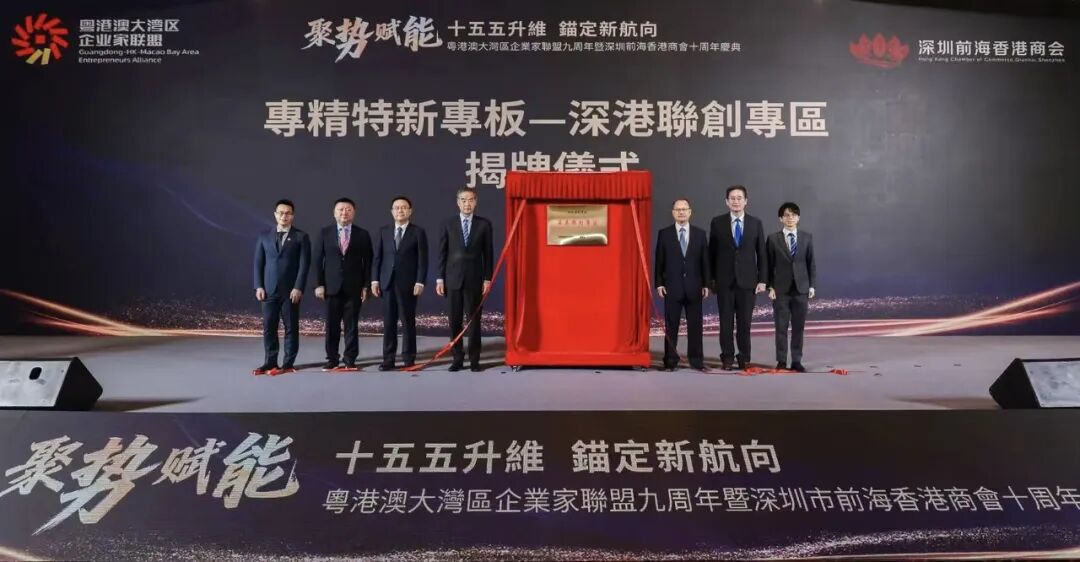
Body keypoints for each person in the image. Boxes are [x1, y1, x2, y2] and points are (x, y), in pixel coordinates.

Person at [708, 185, 767, 370]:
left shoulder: (755, 223)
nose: (736, 201)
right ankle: (727, 357)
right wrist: (711, 280)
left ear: (746, 201)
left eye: (739, 198)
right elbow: (711, 253)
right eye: (732, 198)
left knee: (744, 323)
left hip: (748, 282)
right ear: (727, 202)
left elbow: (762, 254)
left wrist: (763, 280)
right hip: (724, 281)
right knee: (725, 323)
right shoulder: (717, 222)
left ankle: (744, 357)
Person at [436, 187, 494, 372]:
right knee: (454, 322)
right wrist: (440, 279)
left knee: (474, 322)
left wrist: (487, 278)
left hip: (475, 280)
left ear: (475, 202)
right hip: (452, 279)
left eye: (470, 200)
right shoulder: (448, 224)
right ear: (457, 202)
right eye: (463, 200)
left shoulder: (484, 224)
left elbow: (488, 254)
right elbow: (442, 253)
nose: (467, 204)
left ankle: (475, 360)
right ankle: (457, 359)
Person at [313, 197, 373, 370]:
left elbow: (368, 262)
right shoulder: (324, 233)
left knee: (351, 326)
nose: (344, 212)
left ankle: (350, 359)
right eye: (340, 209)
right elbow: (317, 260)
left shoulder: (363, 234)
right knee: (331, 325)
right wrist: (319, 284)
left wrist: (366, 285)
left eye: (348, 209)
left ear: (354, 212)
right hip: (331, 287)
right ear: (334, 213)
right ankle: (332, 359)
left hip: (354, 287)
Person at [253, 199, 311, 374]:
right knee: (269, 328)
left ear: (292, 216)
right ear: (275, 214)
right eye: (281, 213)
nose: (284, 216)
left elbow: (304, 265)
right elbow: (258, 263)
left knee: (291, 328)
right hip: (268, 290)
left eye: (287, 213)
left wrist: (298, 287)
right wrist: (258, 286)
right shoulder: (264, 236)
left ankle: (288, 363)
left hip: (290, 291)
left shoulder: (301, 237)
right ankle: (270, 362)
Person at [371, 196, 428, 370]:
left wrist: (420, 281)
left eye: (404, 207)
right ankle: (388, 360)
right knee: (389, 323)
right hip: (387, 283)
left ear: (410, 211)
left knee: (408, 322)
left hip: (409, 285)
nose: (400, 210)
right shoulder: (384, 231)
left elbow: (423, 260)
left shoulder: (418, 232)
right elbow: (377, 258)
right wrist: (374, 280)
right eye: (397, 208)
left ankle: (409, 359)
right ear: (392, 212)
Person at [654, 197, 711, 371]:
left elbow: (705, 261)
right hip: (672, 287)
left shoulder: (700, 234)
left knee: (695, 326)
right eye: (678, 209)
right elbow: (659, 260)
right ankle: (670, 361)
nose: (681, 212)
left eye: (684, 209)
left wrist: (706, 284)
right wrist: (659, 283)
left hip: (695, 287)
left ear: (690, 212)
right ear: (673, 213)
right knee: (671, 326)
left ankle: (696, 360)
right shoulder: (664, 234)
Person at [767, 202, 816, 372]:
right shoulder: (773, 239)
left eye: (793, 215)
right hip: (780, 290)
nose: (790, 218)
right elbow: (768, 265)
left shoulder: (807, 237)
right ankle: (781, 361)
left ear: (798, 218)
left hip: (801, 289)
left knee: (798, 328)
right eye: (786, 215)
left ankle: (796, 361)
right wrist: (770, 287)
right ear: (781, 219)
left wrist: (812, 285)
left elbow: (811, 263)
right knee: (780, 328)